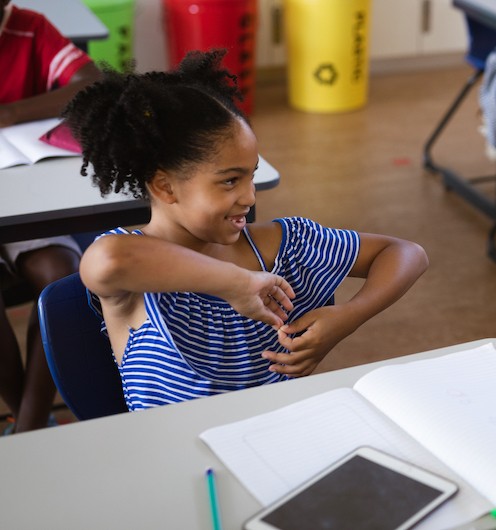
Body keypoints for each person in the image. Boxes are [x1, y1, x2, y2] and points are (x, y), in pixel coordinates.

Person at [62, 50, 428, 411]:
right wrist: (234, 283)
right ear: (166, 188)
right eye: (229, 181)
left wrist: (346, 318)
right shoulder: (133, 273)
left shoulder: (286, 246)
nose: (249, 197)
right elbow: (107, 260)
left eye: (250, 176)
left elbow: (406, 253)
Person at [0, 0, 102, 433]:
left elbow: (91, 83)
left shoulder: (28, 28)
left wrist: (12, 112)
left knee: (63, 276)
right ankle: (30, 422)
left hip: (22, 194)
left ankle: (29, 426)